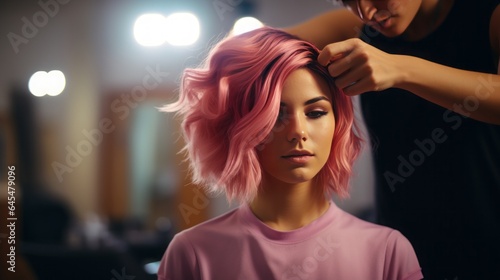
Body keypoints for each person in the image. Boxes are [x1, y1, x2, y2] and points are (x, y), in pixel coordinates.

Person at [157, 27, 423, 280]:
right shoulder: (191, 254)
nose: (298, 132)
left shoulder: (388, 252)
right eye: (276, 115)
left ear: (338, 123)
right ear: (243, 127)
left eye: (315, 113)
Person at [284, 0, 500, 279]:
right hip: (401, 257)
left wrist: (401, 70)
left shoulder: (489, 15)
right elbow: (258, 46)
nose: (367, 12)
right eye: (348, 1)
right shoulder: (357, 28)